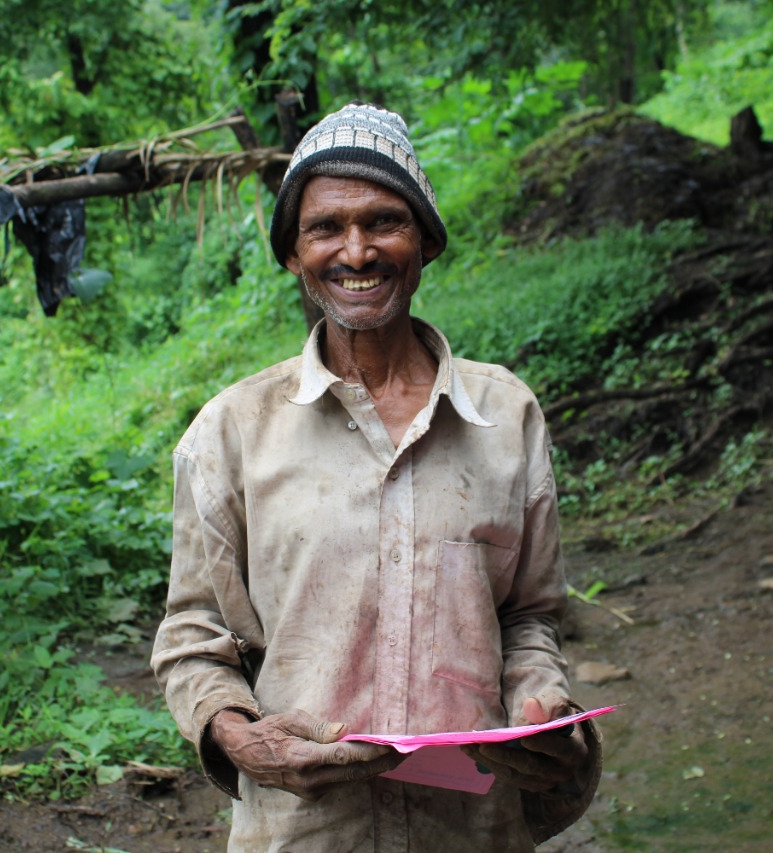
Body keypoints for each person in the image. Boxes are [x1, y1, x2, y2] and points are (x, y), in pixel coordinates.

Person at [152, 101, 602, 852]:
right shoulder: (232, 431)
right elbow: (194, 637)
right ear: (293, 254)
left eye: (384, 222)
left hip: (472, 826)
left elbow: (530, 615)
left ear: (424, 240)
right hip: (304, 831)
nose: (356, 251)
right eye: (326, 227)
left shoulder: (506, 415)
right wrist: (240, 734)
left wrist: (538, 701)